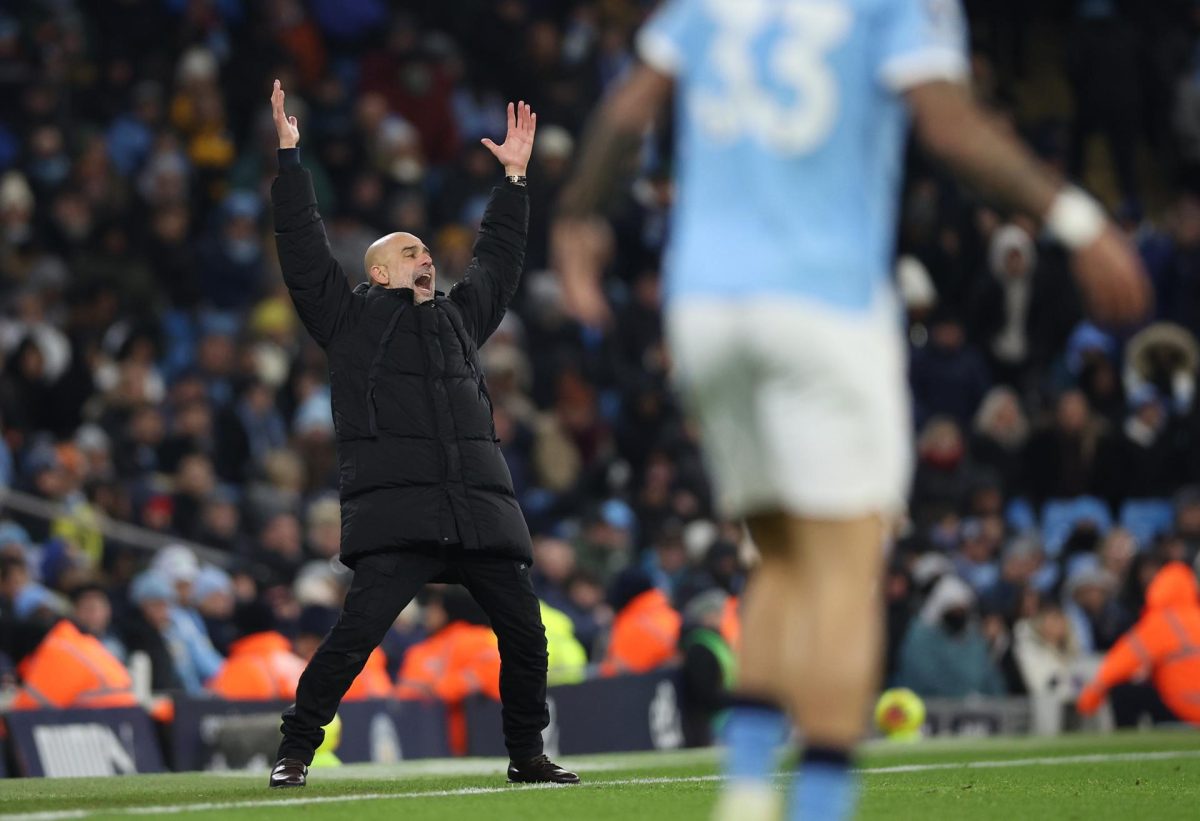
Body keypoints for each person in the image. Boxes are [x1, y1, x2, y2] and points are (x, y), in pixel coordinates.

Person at [552, 2, 1149, 819]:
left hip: (707, 306)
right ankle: (819, 806)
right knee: (845, 564)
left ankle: (751, 788)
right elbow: (945, 122)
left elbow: (628, 106)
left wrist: (578, 216)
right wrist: (1077, 218)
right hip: (822, 302)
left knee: (781, 555)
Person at [266, 80, 576, 788]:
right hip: (400, 515)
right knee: (355, 638)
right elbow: (303, 251)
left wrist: (515, 181)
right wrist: (290, 163)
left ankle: (527, 753)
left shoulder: (462, 318)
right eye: (409, 251)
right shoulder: (346, 321)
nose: (424, 256)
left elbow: (500, 259)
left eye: (426, 251)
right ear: (377, 270)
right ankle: (295, 746)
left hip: (475, 507)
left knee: (527, 636)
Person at [1077, 561, 1200, 726]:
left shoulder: (1161, 622)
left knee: (1123, 691)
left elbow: (1121, 662)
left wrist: (1091, 696)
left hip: (1183, 705)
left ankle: (1127, 736)